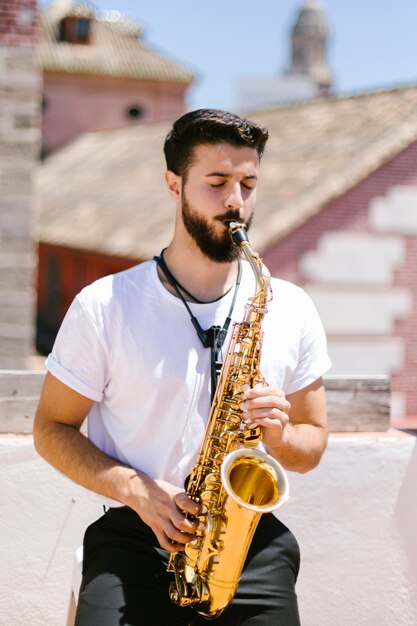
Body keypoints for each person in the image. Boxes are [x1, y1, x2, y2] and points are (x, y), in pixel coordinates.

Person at [34, 108, 331, 626]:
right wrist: (135, 488)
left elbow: (313, 443)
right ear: (174, 185)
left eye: (247, 183)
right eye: (216, 182)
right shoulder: (105, 304)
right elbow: (49, 428)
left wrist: (280, 436)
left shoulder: (290, 305)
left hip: (247, 545)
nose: (235, 201)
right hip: (135, 532)